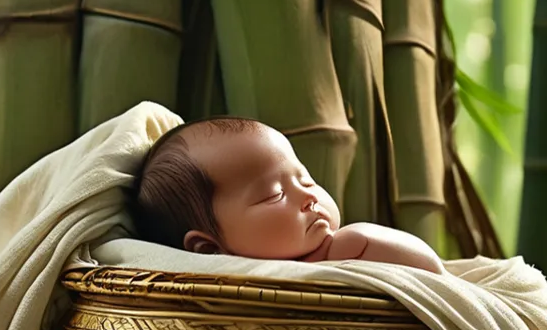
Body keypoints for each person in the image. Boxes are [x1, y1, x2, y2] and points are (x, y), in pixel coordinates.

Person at [132, 116, 445, 274]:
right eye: (274, 195)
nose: (309, 197)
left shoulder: (345, 249)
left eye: (306, 180)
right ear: (206, 249)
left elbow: (433, 274)